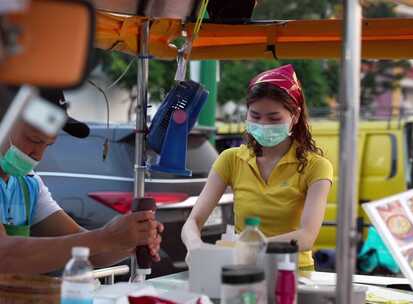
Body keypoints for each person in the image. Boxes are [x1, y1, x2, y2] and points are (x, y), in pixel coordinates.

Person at [182, 64, 333, 271]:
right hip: (244, 269)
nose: (263, 124)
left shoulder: (316, 167)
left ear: (295, 116)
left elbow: (306, 237)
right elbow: (193, 221)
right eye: (255, 116)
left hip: (293, 272)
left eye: (274, 118)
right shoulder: (231, 159)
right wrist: (195, 246)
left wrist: (249, 246)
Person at [0, 88, 163, 274]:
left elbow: (90, 253)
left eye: (47, 145)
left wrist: (130, 240)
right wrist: (107, 237)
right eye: (34, 140)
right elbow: (5, 255)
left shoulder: (29, 185)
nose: (38, 155)